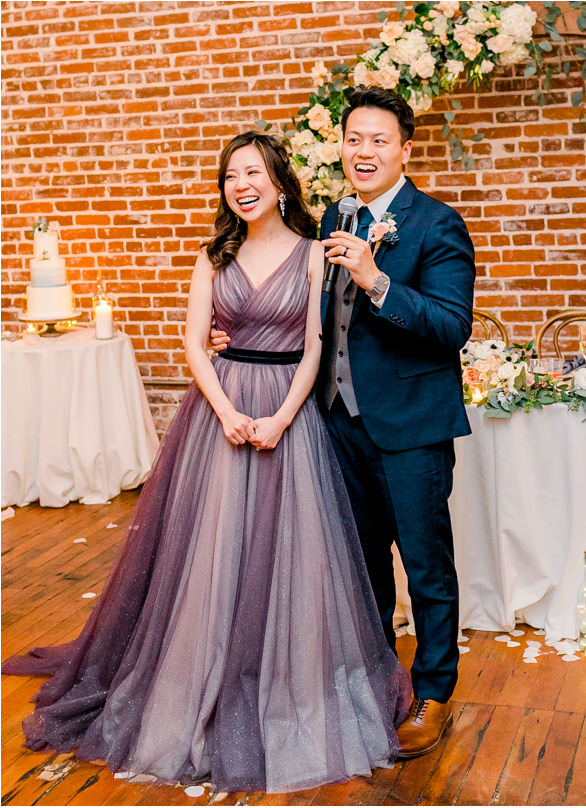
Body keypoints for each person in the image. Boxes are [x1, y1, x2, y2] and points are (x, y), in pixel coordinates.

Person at [2, 131, 409, 793]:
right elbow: (194, 345)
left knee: (285, 556)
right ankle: (198, 674)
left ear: (279, 184)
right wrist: (224, 411)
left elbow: (313, 347)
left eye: (252, 173)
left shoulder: (312, 255)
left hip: (287, 414)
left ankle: (277, 675)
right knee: (208, 557)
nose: (240, 186)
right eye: (230, 177)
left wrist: (278, 419)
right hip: (217, 412)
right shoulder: (213, 255)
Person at [212, 86, 475, 757]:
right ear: (342, 147)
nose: (364, 151)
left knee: (425, 566)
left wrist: (378, 281)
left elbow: (451, 327)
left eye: (378, 140)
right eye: (354, 139)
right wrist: (234, 338)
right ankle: (377, 681)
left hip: (411, 426)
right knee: (359, 566)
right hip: (336, 425)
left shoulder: (437, 224)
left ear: (404, 150)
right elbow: (308, 321)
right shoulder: (337, 215)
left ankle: (434, 694)